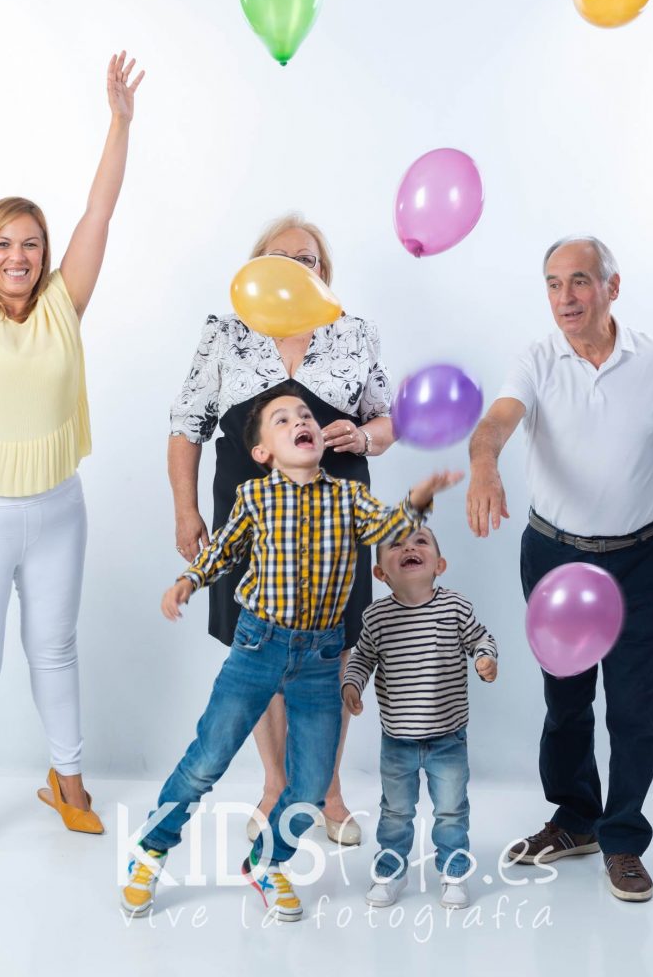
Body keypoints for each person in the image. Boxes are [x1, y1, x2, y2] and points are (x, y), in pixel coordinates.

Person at [0, 37, 143, 870]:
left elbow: (98, 214)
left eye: (31, 245)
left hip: (54, 510)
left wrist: (117, 123)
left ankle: (67, 781)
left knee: (56, 648)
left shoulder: (62, 308)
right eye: (4, 244)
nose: (19, 256)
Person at [120, 388, 463, 921]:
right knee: (207, 759)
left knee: (310, 782)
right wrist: (189, 580)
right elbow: (223, 551)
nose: (300, 420)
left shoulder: (349, 497)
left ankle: (269, 861)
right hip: (258, 647)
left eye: (305, 415)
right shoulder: (255, 498)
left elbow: (388, 527)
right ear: (263, 452)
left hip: (324, 659)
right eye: (282, 420)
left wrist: (419, 498)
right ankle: (151, 849)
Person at [465, 236, 653, 902]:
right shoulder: (537, 359)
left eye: (579, 281)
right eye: (552, 284)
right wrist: (484, 463)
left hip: (639, 557)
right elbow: (494, 424)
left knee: (636, 707)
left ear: (611, 286)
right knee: (567, 701)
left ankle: (623, 837)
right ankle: (575, 818)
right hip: (555, 555)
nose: (565, 297)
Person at [168, 213, 395, 847]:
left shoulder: (353, 335)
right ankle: (274, 785)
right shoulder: (226, 335)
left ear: (326, 272)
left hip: (336, 514)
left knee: (333, 646)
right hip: (251, 515)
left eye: (310, 260)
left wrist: (365, 436)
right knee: (258, 643)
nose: (298, 268)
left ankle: (326, 791)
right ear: (256, 268)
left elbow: (387, 419)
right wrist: (186, 512)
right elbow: (187, 426)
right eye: (281, 258)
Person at [342, 527, 498, 910]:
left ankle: (454, 871)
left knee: (451, 809)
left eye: (421, 541)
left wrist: (484, 658)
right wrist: (351, 684)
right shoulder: (377, 617)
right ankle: (392, 871)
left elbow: (480, 637)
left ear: (439, 565)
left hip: (448, 736)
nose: (409, 547)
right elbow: (362, 657)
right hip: (397, 739)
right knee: (395, 812)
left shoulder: (455, 608)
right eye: (396, 544)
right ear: (381, 573)